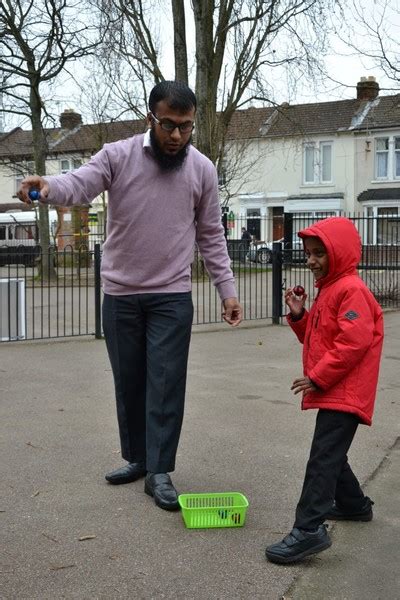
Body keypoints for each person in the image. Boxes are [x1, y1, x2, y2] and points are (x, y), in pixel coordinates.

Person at [17, 80, 243, 512]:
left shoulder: (202, 170)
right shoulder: (118, 155)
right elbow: (80, 183)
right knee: (130, 383)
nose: (176, 136)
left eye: (185, 127)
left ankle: (159, 471)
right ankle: (139, 459)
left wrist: (227, 290)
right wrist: (47, 185)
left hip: (171, 296)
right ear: (150, 119)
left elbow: (212, 235)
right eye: (168, 125)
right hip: (120, 295)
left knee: (164, 383)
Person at [265, 216, 383, 564]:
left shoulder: (351, 291)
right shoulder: (331, 289)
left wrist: (317, 377)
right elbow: (321, 340)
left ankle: (308, 529)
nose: (311, 260)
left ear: (340, 253)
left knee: (322, 457)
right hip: (337, 387)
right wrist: (300, 316)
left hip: (345, 391)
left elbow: (353, 343)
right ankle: (354, 505)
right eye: (309, 253)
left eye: (320, 253)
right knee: (331, 453)